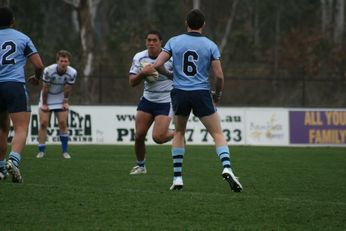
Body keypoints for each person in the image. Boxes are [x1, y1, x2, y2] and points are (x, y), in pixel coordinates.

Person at [151, 9, 243, 192]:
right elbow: (219, 76)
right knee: (217, 133)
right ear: (203, 25)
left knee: (178, 133)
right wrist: (217, 95)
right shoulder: (210, 45)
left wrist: (170, 75)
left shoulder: (174, 41)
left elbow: (156, 65)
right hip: (201, 93)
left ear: (187, 23)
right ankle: (227, 167)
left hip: (179, 93)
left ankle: (177, 178)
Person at [0, 7, 44, 183]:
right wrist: (37, 77)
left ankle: (1, 167)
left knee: (1, 127)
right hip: (14, 85)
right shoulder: (22, 38)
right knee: (21, 127)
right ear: (13, 21)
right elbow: (39, 65)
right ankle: (14, 159)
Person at [128, 30, 174, 175]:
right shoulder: (140, 57)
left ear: (161, 42)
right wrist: (143, 73)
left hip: (166, 100)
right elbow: (132, 82)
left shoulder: (171, 58)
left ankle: (178, 133)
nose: (151, 43)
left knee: (158, 138)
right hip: (147, 99)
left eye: (155, 40)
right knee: (139, 136)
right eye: (149, 40)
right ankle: (141, 166)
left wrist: (164, 72)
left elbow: (179, 78)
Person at [36, 50, 77, 159]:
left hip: (60, 97)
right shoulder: (48, 70)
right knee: (44, 123)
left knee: (63, 123)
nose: (63, 63)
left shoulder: (72, 72)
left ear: (69, 62)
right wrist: (44, 104)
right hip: (47, 97)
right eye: (61, 61)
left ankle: (65, 151)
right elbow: (45, 88)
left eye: (66, 61)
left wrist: (65, 101)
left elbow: (68, 88)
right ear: (57, 61)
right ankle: (41, 151)